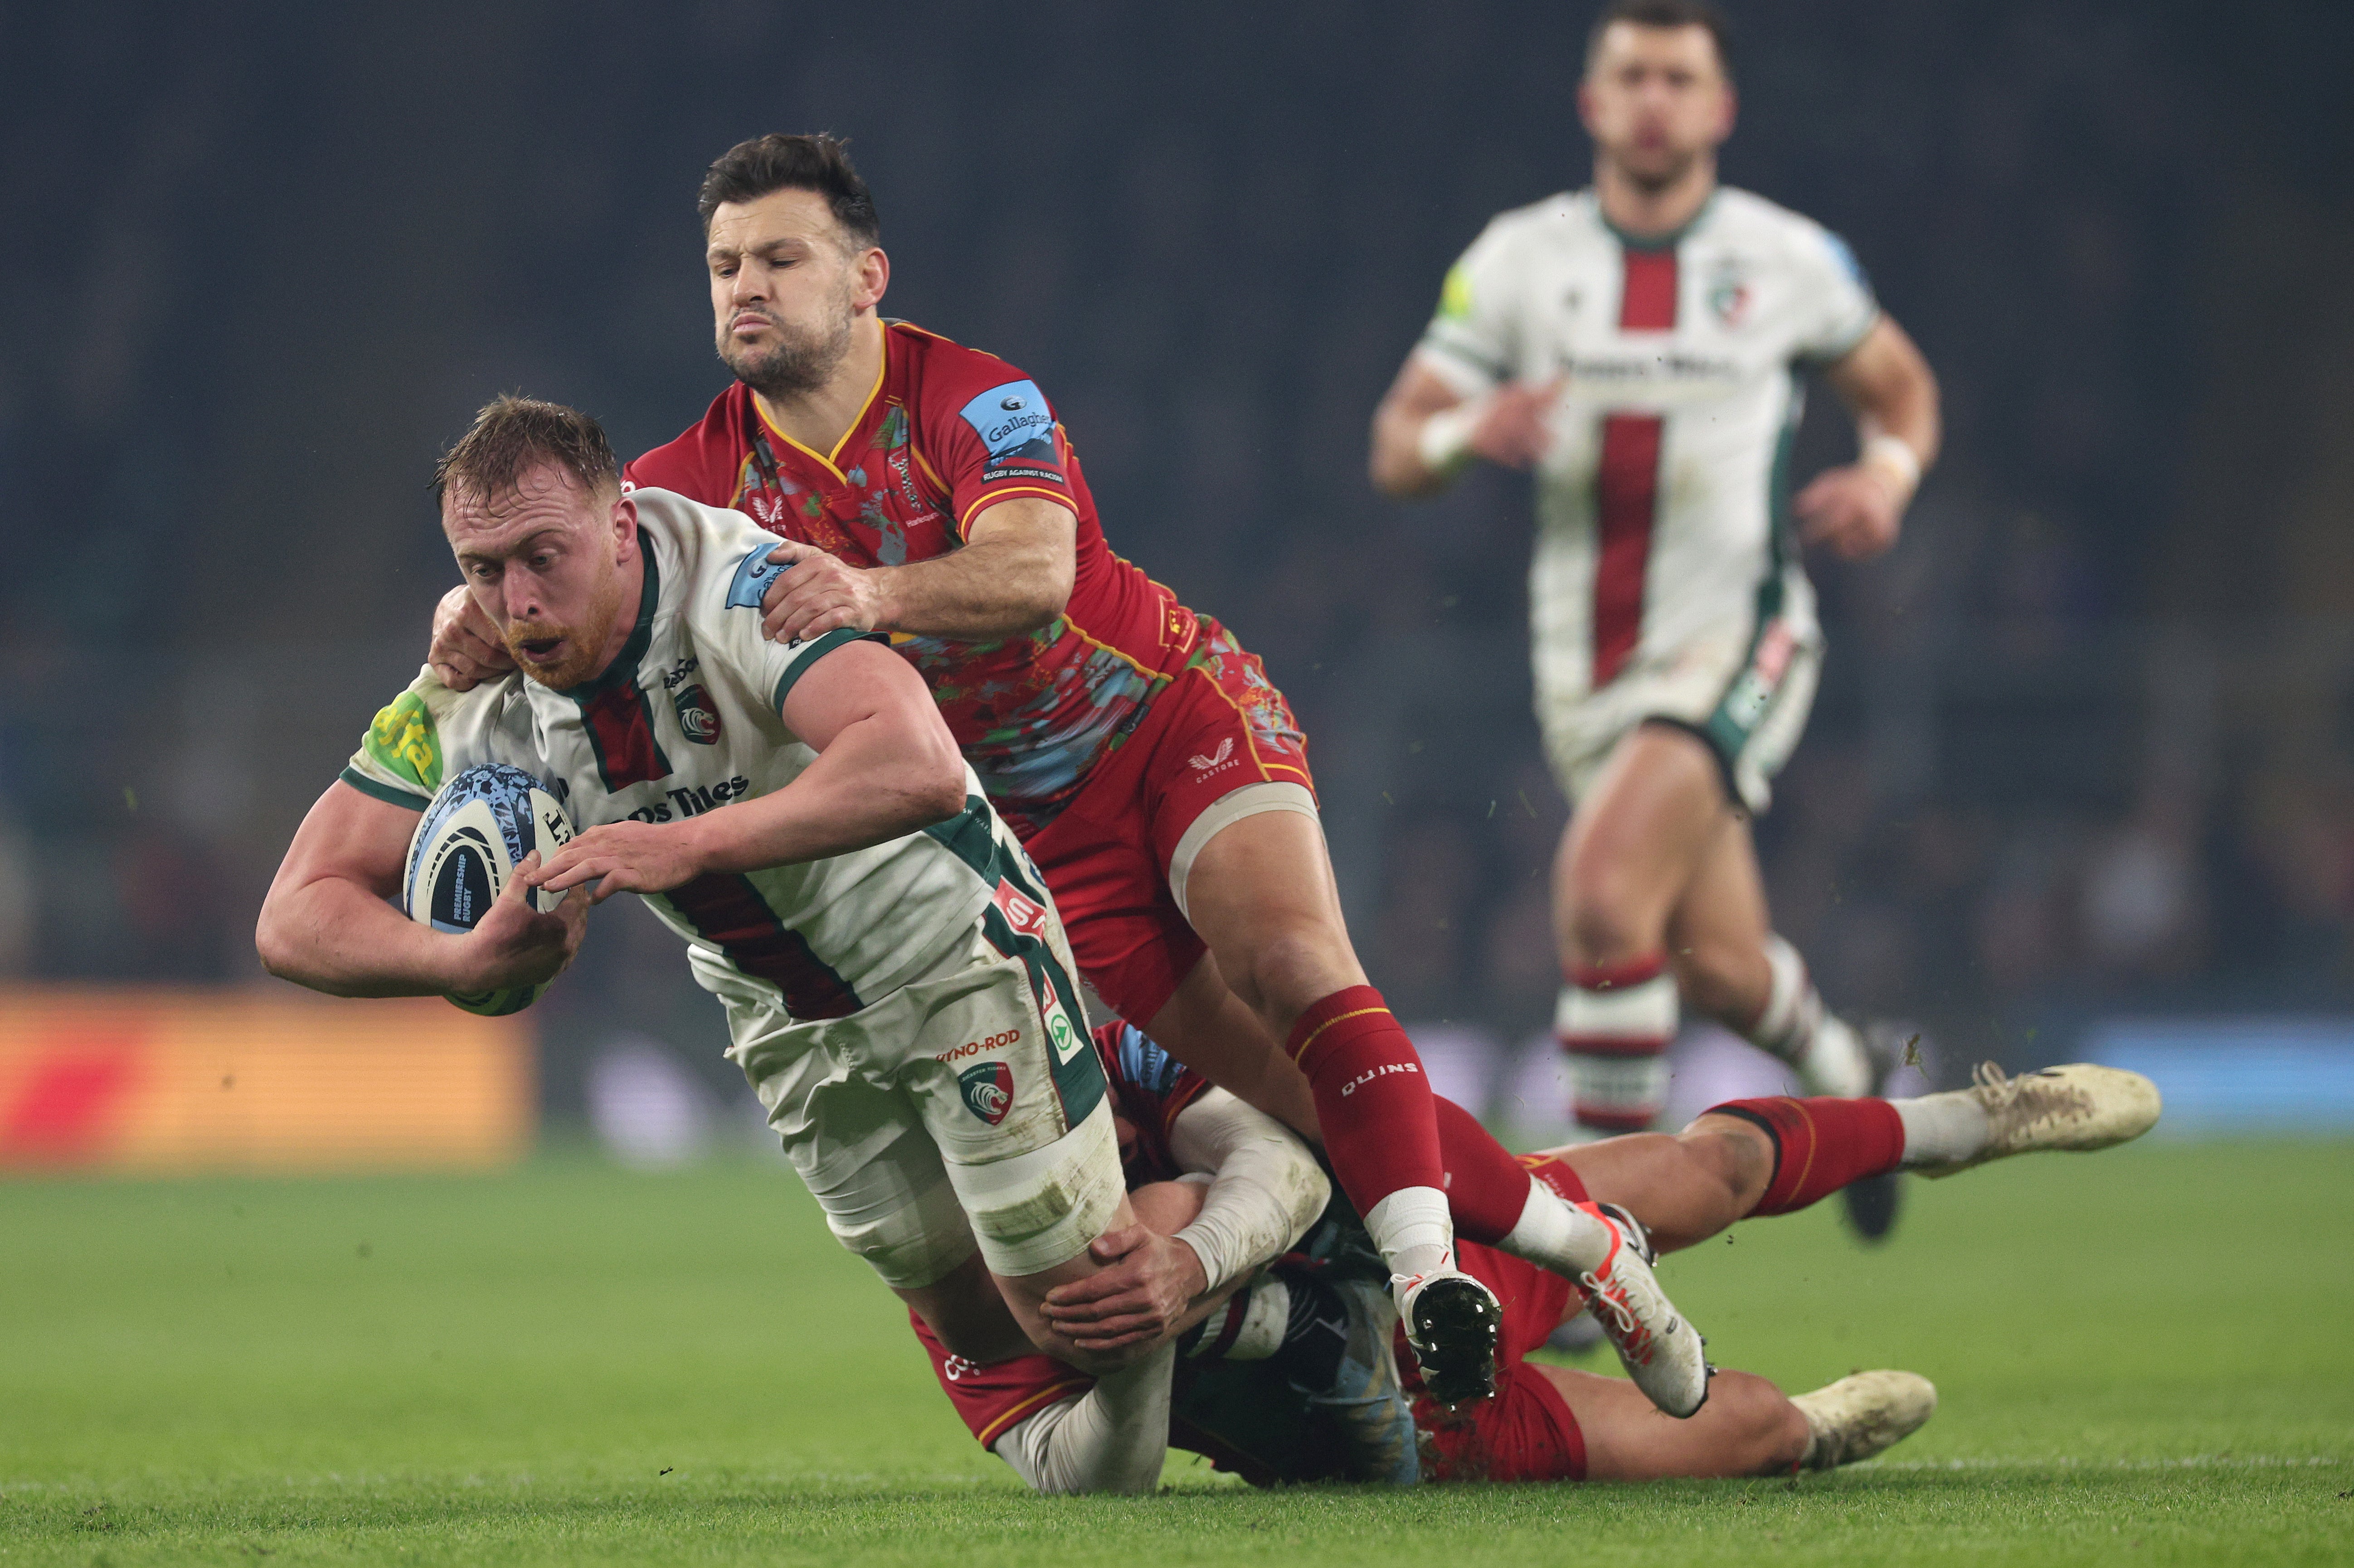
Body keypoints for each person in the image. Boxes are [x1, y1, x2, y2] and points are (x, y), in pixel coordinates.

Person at [422, 135, 1698, 1408]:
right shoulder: (689, 483)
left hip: (1159, 719)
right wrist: (465, 621)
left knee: (1294, 966)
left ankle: (1428, 1279)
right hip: (1026, 834)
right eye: (721, 265)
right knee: (1284, 1091)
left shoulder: (974, 397)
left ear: (868, 275)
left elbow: (1034, 572)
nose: (743, 287)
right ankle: (1590, 1247)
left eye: (778, 257)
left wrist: (872, 592)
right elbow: (579, 566)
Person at [254, 396, 1175, 1447]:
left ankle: (1246, 1240)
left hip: (949, 954)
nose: (516, 599)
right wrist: (458, 957)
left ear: (618, 524)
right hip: (786, 1021)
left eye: (543, 555)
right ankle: (1200, 1242)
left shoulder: (742, 587)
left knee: (1076, 1317)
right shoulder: (469, 691)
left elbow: (917, 765)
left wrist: (685, 844)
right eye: (481, 567)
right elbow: (294, 912)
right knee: (983, 1331)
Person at [1368, 0, 1944, 1241]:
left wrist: (1888, 479)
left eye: (1679, 78)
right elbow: (1399, 444)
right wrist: (1476, 429)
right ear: (1591, 102)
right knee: (1725, 965)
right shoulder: (1522, 259)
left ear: (1720, 108)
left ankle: (1596, 1249)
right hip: (1586, 669)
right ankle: (1850, 1075)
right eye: (1630, 74)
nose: (1653, 99)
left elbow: (1900, 391)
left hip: (1738, 632)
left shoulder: (1788, 259)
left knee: (1599, 894)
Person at [922, 1021, 2160, 1491]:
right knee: (1762, 1432)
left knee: (1704, 1170)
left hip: (1415, 1256)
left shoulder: (1084, 1044)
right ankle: (1815, 1431)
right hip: (1401, 1426)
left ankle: (1965, 1124)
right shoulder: (943, 1280)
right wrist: (1135, 1349)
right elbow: (1086, 1479)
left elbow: (1281, 1154)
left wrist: (1189, 1258)